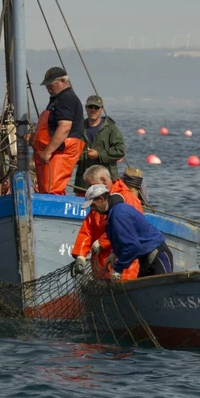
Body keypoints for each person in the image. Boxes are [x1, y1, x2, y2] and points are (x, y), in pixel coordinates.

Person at [82, 183, 173, 280]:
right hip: (145, 258)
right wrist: (116, 253)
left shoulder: (119, 213)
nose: (93, 209)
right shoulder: (113, 213)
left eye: (93, 205)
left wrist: (118, 269)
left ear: (101, 199)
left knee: (163, 291)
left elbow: (133, 246)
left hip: (157, 255)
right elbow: (124, 239)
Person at [69, 165, 141, 280]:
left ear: (103, 180)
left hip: (122, 265)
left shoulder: (127, 198)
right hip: (99, 264)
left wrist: (102, 242)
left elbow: (128, 229)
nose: (89, 189)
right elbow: (87, 229)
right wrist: (81, 256)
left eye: (91, 185)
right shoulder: (97, 201)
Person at [34, 66, 85, 194]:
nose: (47, 87)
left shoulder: (66, 98)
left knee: (52, 189)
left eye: (50, 84)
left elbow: (64, 127)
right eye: (46, 85)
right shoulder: (57, 100)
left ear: (62, 81)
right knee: (46, 188)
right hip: (52, 153)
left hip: (60, 152)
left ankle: (51, 211)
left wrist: (47, 151)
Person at [73, 95, 126, 194]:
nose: (93, 110)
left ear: (101, 109)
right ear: (86, 108)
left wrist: (99, 155)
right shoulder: (79, 127)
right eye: (90, 107)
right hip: (84, 181)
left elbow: (120, 150)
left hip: (105, 180)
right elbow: (72, 148)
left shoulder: (111, 128)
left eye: (96, 107)